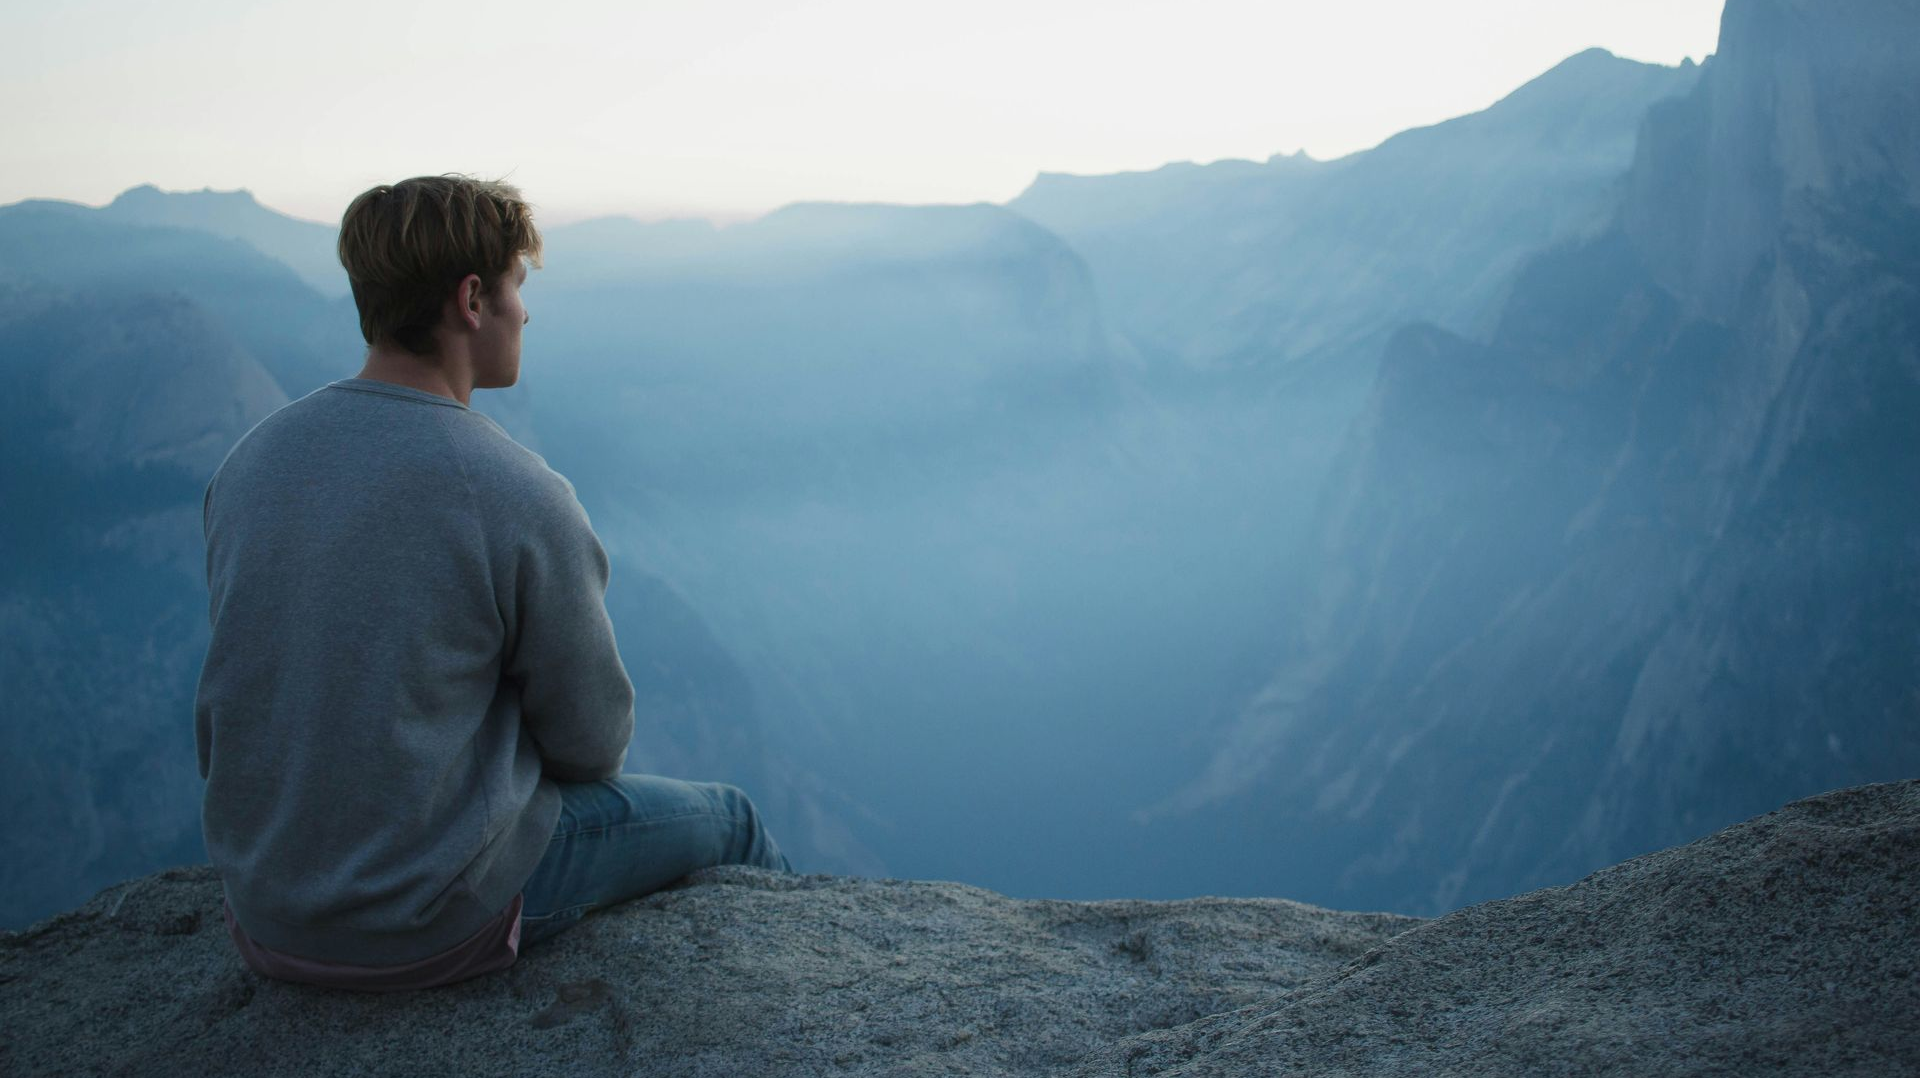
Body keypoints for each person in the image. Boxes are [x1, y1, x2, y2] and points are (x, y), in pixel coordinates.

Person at [193, 174, 793, 993]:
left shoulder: (247, 466)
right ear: (472, 300)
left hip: (264, 918)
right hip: (430, 925)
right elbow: (593, 743)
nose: (526, 311)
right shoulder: (513, 492)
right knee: (734, 818)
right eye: (517, 285)